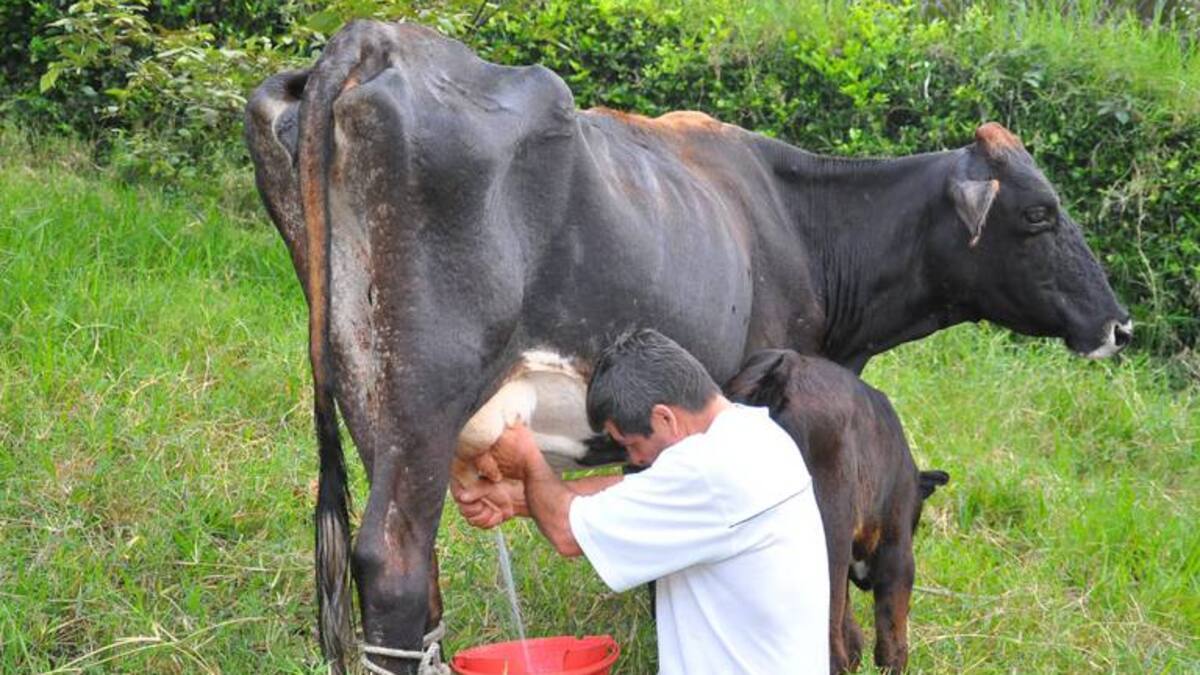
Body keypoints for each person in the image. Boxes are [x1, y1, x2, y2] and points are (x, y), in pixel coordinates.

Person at [452, 329, 829, 674]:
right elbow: (637, 492)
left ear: (664, 417)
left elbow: (567, 533)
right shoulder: (753, 436)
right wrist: (515, 500)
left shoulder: (708, 472)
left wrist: (528, 458)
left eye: (632, 445)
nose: (634, 460)